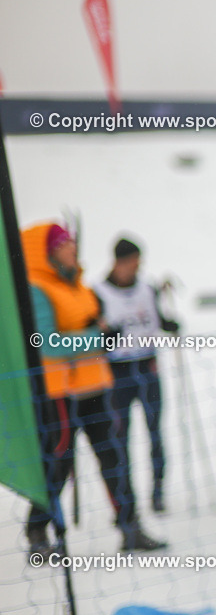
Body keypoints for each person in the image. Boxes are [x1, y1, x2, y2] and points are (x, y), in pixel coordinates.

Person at [22, 223, 166, 555]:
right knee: (59, 463)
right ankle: (37, 531)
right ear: (46, 252)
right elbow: (47, 342)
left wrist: (101, 328)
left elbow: (88, 320)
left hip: (95, 386)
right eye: (63, 243)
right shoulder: (38, 288)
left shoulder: (76, 283)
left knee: (113, 456)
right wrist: (97, 338)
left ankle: (130, 527)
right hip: (62, 392)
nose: (72, 247)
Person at [94, 237, 180, 513]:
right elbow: (94, 334)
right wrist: (106, 336)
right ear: (119, 262)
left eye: (138, 261)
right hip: (117, 373)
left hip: (147, 366)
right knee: (120, 438)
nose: (136, 267)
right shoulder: (98, 292)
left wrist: (170, 323)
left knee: (155, 432)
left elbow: (157, 319)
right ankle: (125, 499)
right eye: (132, 262)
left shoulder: (147, 288)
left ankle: (158, 491)